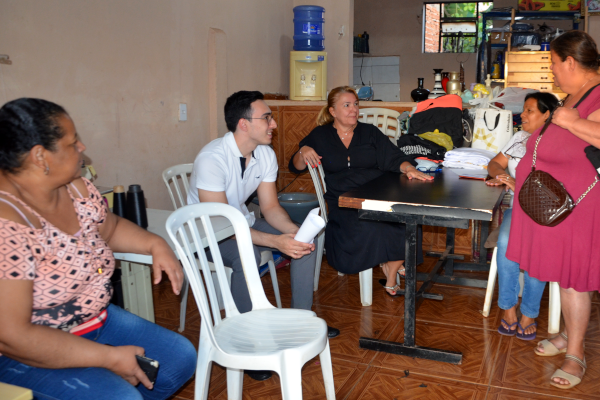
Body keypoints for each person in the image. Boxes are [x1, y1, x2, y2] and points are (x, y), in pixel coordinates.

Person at [0, 98, 196, 400]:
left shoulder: (75, 188)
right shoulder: (8, 225)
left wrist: (155, 244)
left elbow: (112, 228)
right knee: (121, 396)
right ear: (40, 157)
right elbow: (14, 336)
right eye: (72, 142)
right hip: (23, 353)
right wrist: (107, 358)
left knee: (179, 359)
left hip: (95, 320)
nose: (82, 146)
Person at [187, 90, 339, 382]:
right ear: (243, 124)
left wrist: (294, 234)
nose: (274, 124)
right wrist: (274, 241)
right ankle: (248, 344)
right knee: (249, 256)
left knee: (308, 240)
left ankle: (299, 320)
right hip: (207, 235)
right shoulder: (211, 159)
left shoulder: (264, 154)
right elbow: (223, 224)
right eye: (266, 118)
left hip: (241, 225)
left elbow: (269, 207)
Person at [507, 30, 600, 389]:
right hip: (557, 204)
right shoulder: (577, 92)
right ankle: (566, 335)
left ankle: (575, 354)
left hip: (578, 205)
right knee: (565, 274)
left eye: (554, 64)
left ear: (570, 62)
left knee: (576, 280)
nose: (552, 72)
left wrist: (569, 122)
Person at [288, 86, 433, 297]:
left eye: (355, 104)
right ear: (332, 111)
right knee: (369, 226)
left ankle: (391, 268)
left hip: (378, 194)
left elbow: (394, 158)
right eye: (346, 105)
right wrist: (303, 150)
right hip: (343, 201)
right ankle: (391, 264)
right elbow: (296, 166)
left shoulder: (370, 132)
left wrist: (409, 168)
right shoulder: (320, 135)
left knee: (408, 220)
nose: (353, 109)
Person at [485, 92, 559, 341]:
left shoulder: (556, 142)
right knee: (505, 243)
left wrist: (519, 184)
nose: (522, 115)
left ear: (547, 115)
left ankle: (529, 312)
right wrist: (502, 176)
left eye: (529, 111)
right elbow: (494, 163)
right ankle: (508, 308)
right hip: (518, 210)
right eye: (523, 110)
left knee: (537, 247)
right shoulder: (518, 138)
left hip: (542, 214)